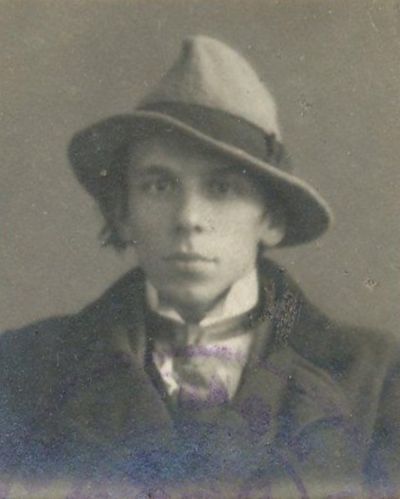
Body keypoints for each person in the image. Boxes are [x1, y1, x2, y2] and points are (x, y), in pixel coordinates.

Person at [1, 35, 399, 497]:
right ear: (123, 212)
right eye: (159, 186)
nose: (188, 218)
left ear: (270, 217)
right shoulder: (23, 371)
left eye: (222, 188)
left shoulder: (373, 380)